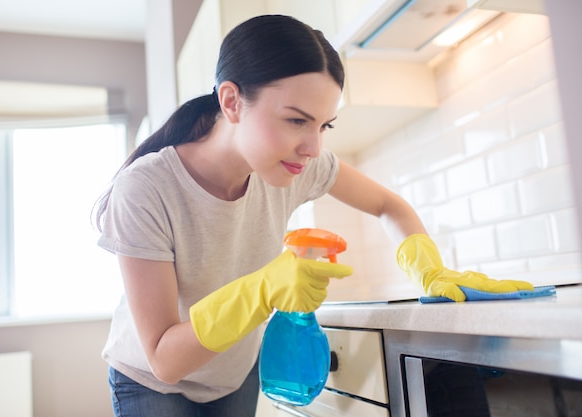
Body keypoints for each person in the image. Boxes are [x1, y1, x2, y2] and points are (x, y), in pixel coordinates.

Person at [94, 14, 533, 417]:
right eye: (296, 120)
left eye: (324, 125)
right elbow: (165, 359)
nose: (313, 148)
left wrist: (429, 270)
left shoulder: (296, 164)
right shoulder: (146, 188)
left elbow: (389, 206)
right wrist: (263, 289)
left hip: (233, 372)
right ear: (231, 101)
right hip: (150, 384)